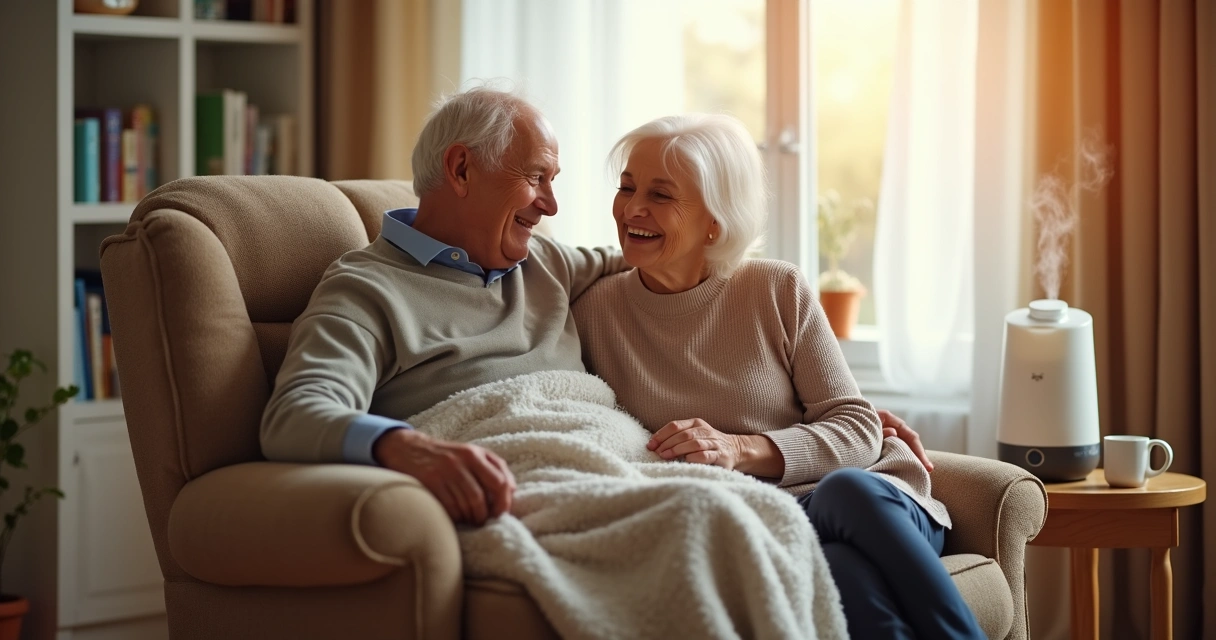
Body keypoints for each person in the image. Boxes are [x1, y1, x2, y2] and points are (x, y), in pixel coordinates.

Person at [571, 113, 984, 639]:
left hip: (875, 507)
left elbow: (858, 429)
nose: (632, 208)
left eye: (660, 194)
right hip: (770, 523)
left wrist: (739, 448)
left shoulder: (775, 289)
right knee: (843, 572)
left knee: (844, 493)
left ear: (715, 221)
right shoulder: (594, 312)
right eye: (627, 187)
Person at [260, 87, 629, 526]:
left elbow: (660, 259)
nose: (550, 205)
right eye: (535, 178)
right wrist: (408, 448)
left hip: (616, 462)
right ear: (461, 169)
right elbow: (292, 416)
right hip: (519, 492)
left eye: (553, 181)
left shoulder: (547, 260)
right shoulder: (366, 289)